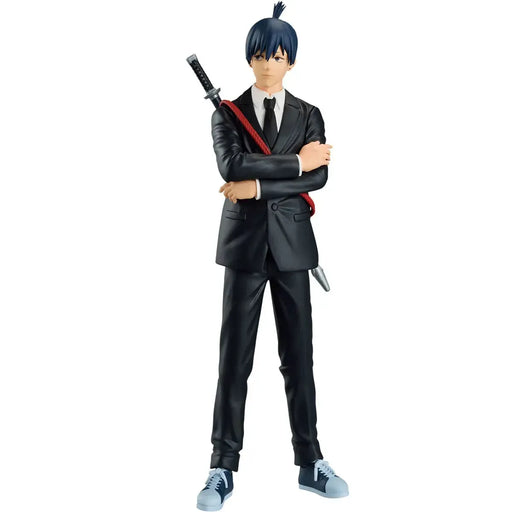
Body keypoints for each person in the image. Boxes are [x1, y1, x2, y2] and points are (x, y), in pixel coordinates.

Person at [197, 3, 348, 510]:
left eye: (278, 57)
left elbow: (318, 177)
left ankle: (310, 460)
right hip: (244, 248)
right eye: (260, 56)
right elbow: (231, 164)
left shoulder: (310, 114)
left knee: (299, 357)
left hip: (293, 248)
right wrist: (293, 164)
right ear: (249, 59)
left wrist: (258, 185)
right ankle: (222, 465)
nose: (268, 65)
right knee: (233, 360)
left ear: (292, 62)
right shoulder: (227, 113)